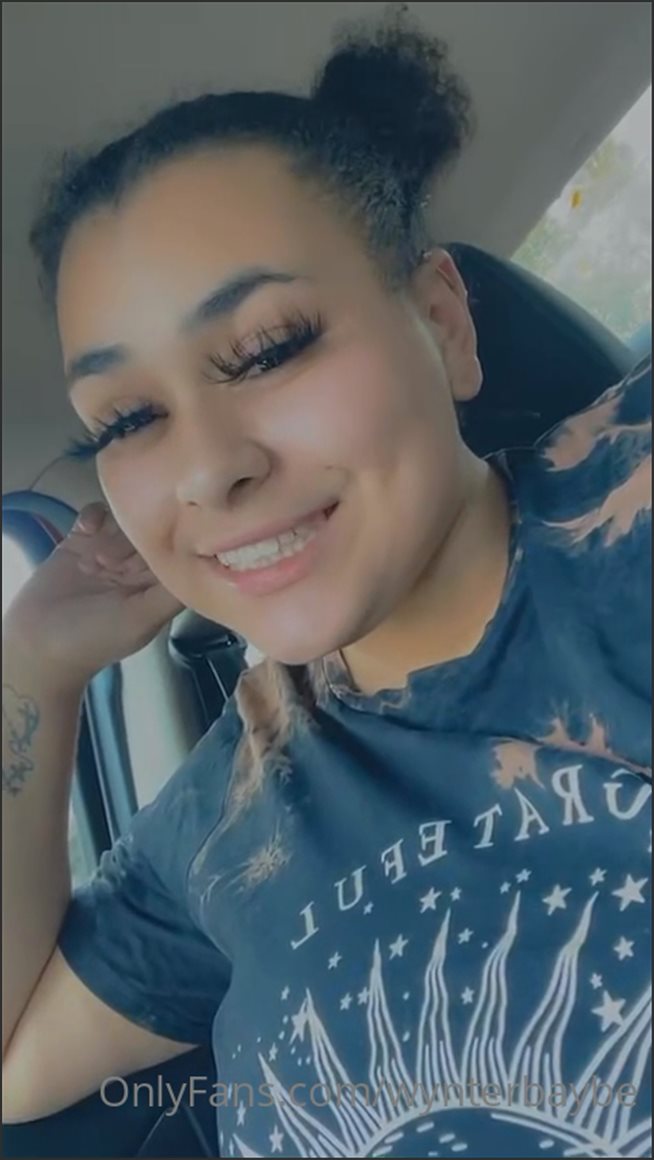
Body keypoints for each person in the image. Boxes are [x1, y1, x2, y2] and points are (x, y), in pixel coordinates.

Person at [3, 17, 651, 1159]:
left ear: (442, 322)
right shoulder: (221, 817)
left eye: (269, 348)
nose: (207, 469)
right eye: (129, 418)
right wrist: (31, 667)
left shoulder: (627, 509)